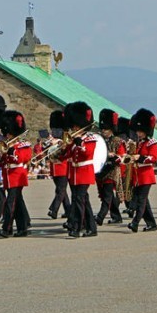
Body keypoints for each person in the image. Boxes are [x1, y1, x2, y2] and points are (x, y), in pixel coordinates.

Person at [57, 102, 99, 238]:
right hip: (75, 173)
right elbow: (68, 154)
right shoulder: (74, 139)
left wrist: (80, 143)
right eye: (73, 126)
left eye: (76, 126)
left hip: (84, 172)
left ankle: (76, 227)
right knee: (83, 201)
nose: (74, 128)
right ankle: (91, 228)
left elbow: (87, 153)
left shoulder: (90, 138)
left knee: (78, 200)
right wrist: (60, 152)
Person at [0, 110, 31, 238]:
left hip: (17, 176)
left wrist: (11, 152)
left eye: (9, 133)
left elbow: (21, 159)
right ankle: (22, 228)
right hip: (8, 176)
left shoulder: (23, 145)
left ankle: (6, 228)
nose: (7, 135)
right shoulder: (7, 144)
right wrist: (0, 156)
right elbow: (1, 163)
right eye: (6, 133)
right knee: (18, 203)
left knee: (10, 203)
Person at [127, 108, 157, 233]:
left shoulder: (151, 143)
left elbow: (154, 158)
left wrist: (140, 158)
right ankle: (152, 224)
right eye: (138, 131)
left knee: (141, 200)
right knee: (144, 201)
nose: (139, 133)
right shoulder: (138, 143)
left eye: (141, 131)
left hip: (146, 176)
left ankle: (135, 223)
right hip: (138, 176)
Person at [95, 109, 125, 225]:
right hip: (102, 171)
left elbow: (121, 157)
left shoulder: (118, 141)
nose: (103, 131)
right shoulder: (99, 140)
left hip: (112, 170)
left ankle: (100, 216)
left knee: (107, 196)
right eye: (102, 129)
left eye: (106, 129)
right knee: (107, 195)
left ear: (111, 129)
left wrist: (113, 156)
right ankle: (116, 216)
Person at [46, 110, 71, 221]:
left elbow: (64, 152)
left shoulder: (64, 140)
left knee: (60, 190)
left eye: (56, 130)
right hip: (54, 168)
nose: (54, 132)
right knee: (62, 191)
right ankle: (68, 211)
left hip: (63, 167)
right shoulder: (54, 140)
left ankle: (54, 209)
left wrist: (57, 143)